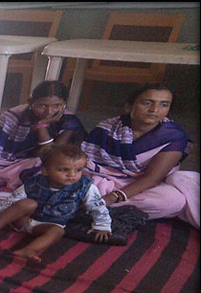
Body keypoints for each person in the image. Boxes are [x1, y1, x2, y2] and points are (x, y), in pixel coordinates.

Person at [81, 83, 199, 229]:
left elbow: (152, 179)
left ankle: (95, 209)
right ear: (129, 106)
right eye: (147, 103)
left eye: (164, 104)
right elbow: (86, 163)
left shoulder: (173, 137)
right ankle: (107, 211)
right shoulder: (108, 128)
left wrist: (113, 197)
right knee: (77, 184)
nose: (154, 110)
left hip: (141, 186)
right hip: (104, 179)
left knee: (173, 201)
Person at [0, 145, 111, 262]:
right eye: (63, 170)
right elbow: (7, 203)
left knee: (58, 231)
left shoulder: (85, 187)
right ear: (45, 170)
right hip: (22, 220)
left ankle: (29, 249)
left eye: (78, 170)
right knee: (28, 203)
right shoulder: (34, 183)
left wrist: (102, 225)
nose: (72, 175)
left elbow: (97, 206)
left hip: (46, 226)